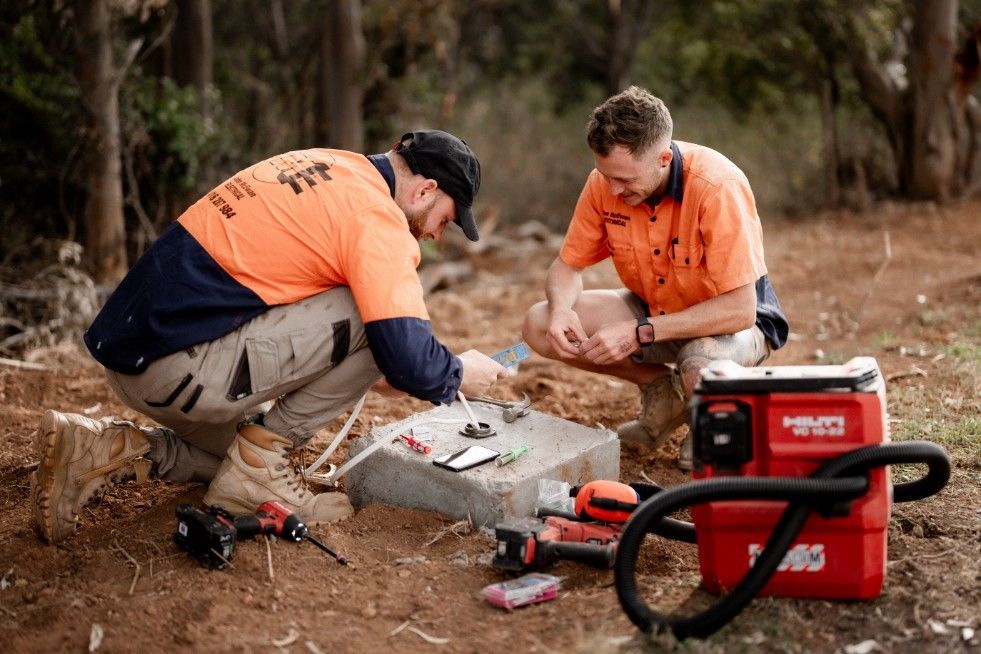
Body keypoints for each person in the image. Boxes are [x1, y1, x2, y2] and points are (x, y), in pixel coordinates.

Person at [32, 130, 508, 544]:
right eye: (445, 219)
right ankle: (263, 464)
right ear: (425, 189)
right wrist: (459, 372)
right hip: (181, 368)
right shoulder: (377, 218)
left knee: (235, 453)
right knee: (373, 317)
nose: (437, 235)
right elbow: (407, 357)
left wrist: (368, 367)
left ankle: (108, 449)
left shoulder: (328, 163)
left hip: (137, 359)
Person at [522, 87, 788, 470]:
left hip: (732, 325)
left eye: (624, 180)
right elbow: (566, 267)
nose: (613, 189)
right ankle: (663, 393)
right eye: (605, 175)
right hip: (655, 309)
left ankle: (708, 421)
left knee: (699, 366)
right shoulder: (605, 182)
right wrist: (563, 309)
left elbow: (741, 310)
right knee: (540, 322)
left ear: (663, 158)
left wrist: (639, 332)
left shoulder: (717, 186)